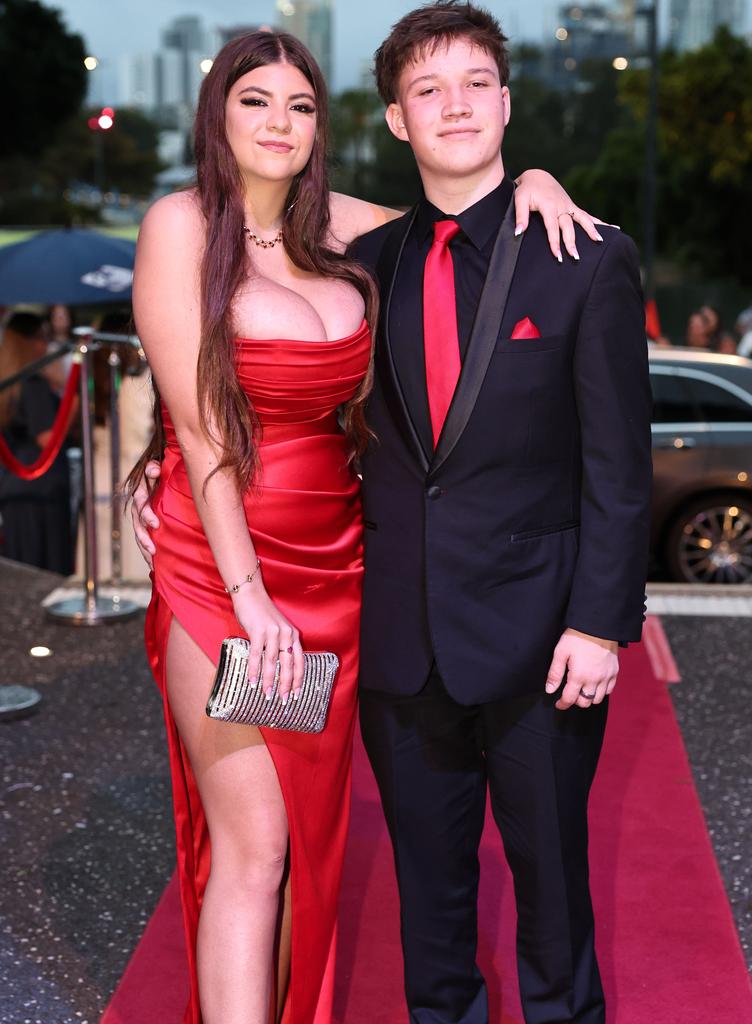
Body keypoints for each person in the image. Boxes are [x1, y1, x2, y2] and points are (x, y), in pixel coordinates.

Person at [129, 24, 613, 1024]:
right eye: (254, 100)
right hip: (226, 570)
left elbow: (459, 214)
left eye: (300, 106)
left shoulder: (340, 230)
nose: (279, 123)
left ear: (326, 127)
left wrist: (540, 184)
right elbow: (204, 428)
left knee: (304, 833)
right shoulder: (182, 223)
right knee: (256, 839)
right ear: (216, 112)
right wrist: (248, 595)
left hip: (339, 574)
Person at [349, 6, 652, 1023]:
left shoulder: (587, 257)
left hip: (544, 643)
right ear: (396, 120)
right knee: (430, 914)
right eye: (428, 90)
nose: (456, 105)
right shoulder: (367, 264)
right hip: (401, 646)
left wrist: (603, 621)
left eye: (477, 82)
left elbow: (618, 462)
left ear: (509, 101)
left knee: (555, 901)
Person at [0, 311, 74, 574]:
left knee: (22, 573)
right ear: (25, 343)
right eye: (40, 338)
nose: (45, 346)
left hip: (13, 486)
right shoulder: (33, 383)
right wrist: (74, 399)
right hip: (40, 488)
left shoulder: (5, 383)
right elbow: (47, 438)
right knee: (45, 575)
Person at [74, 311, 152, 582]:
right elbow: (137, 438)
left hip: (97, 475)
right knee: (131, 568)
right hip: (130, 476)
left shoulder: (89, 380)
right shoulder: (136, 383)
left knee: (98, 563)